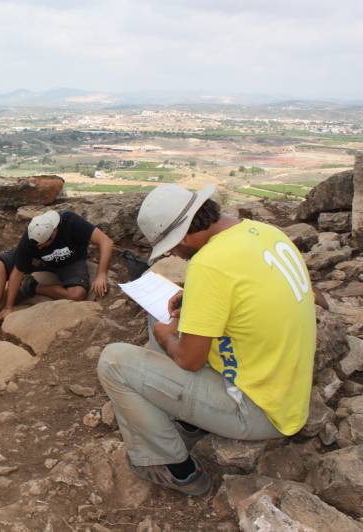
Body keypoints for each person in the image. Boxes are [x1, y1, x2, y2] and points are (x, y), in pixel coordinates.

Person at [97, 184, 316, 496]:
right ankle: (193, 421)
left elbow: (189, 359)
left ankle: (174, 468)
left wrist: (166, 337)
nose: (173, 254)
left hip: (258, 409)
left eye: (172, 247)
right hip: (285, 389)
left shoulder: (209, 264)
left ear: (184, 236)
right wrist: (193, 300)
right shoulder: (264, 233)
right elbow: (252, 293)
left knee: (113, 361)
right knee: (162, 314)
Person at [0, 210, 114, 337]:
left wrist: (101, 274)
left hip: (70, 262)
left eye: (44, 243)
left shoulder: (71, 222)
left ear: (54, 232)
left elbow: (106, 242)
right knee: (0, 263)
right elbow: (18, 270)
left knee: (77, 294)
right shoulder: (33, 237)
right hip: (40, 261)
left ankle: (31, 287)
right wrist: (8, 308)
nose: (40, 246)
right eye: (37, 244)